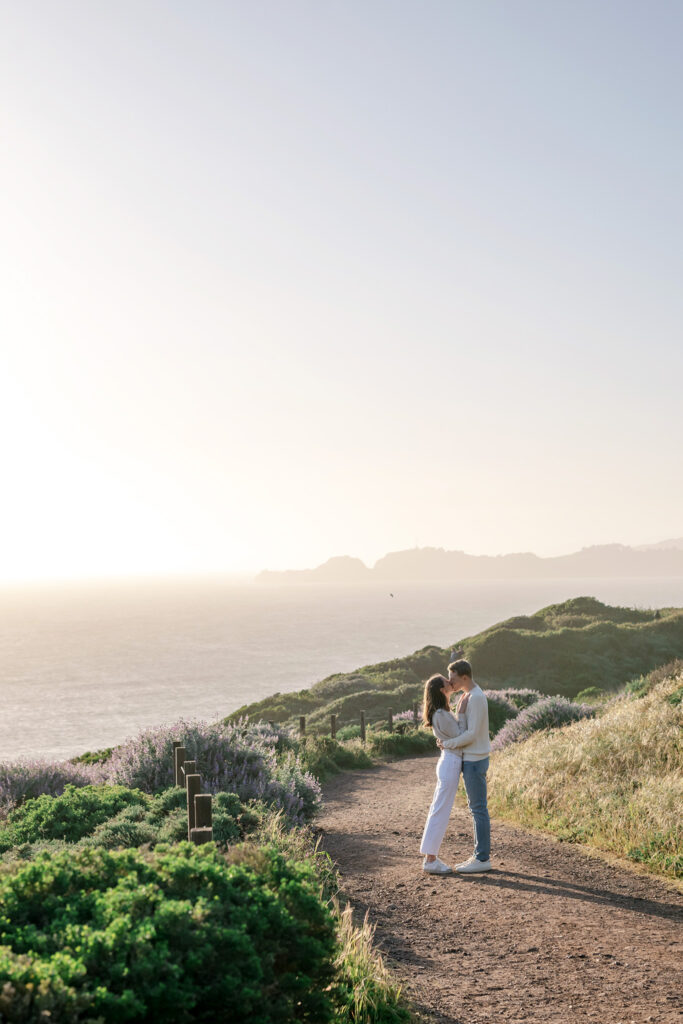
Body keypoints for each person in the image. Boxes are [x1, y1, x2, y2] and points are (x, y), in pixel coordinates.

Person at [437, 659, 492, 873]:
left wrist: (447, 744)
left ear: (465, 677)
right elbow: (463, 728)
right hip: (471, 759)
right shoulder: (467, 697)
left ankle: (482, 858)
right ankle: (479, 855)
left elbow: (472, 734)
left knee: (478, 809)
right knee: (475, 808)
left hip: (475, 760)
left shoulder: (477, 698)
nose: (451, 682)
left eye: (453, 678)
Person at [419, 673, 465, 874]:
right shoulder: (441, 714)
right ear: (441, 689)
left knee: (439, 810)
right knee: (440, 811)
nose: (450, 682)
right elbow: (462, 737)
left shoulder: (441, 712)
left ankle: (430, 858)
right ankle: (430, 860)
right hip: (450, 763)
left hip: (449, 761)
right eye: (447, 682)